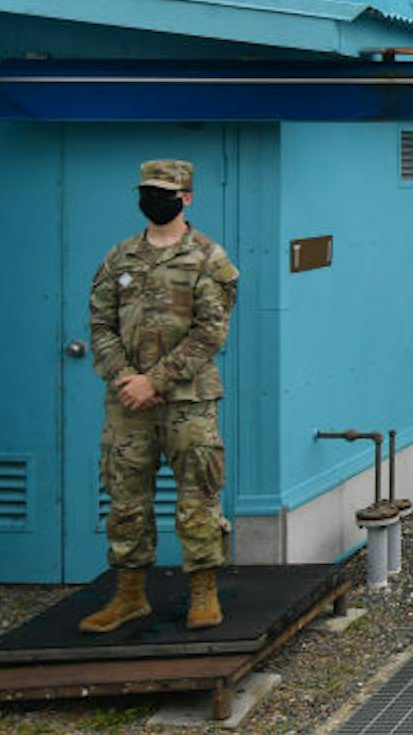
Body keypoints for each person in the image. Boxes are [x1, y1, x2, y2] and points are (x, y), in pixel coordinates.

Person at [78, 159, 240, 634]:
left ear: (186, 198)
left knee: (198, 496)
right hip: (128, 403)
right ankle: (129, 596)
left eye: (165, 192)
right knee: (126, 499)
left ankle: (204, 593)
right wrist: (127, 378)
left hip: (188, 401)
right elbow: (99, 325)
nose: (155, 199)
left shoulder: (208, 258)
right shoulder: (119, 258)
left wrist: (157, 381)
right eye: (148, 190)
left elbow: (211, 332)